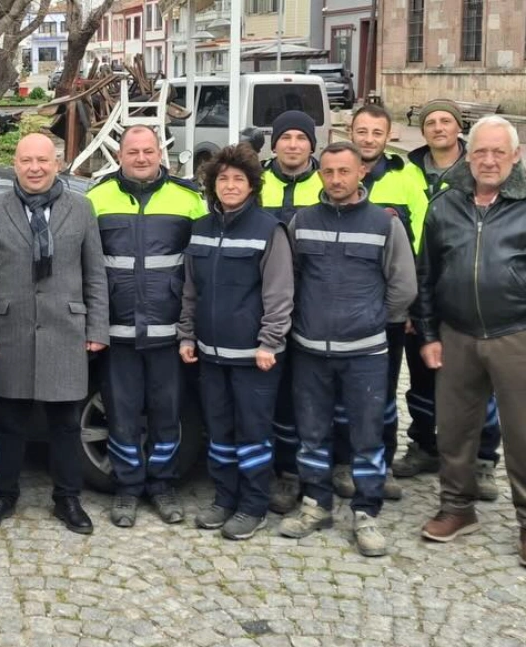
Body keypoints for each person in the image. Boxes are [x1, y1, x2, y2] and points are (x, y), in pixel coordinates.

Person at [415, 116, 526, 570]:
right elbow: (427, 275)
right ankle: (457, 507)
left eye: (498, 153)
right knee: (454, 430)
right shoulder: (444, 206)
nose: (488, 161)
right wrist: (429, 334)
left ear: (516, 156)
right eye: (480, 152)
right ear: (469, 156)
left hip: (519, 335)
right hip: (458, 335)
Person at [278, 142, 417, 556]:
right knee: (312, 433)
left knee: (366, 436)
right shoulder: (301, 222)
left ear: (361, 174)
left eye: (345, 172)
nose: (336, 180)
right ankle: (315, 504)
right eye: (329, 172)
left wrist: (373, 319)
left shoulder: (384, 224)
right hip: (309, 349)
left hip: (365, 352)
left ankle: (366, 512)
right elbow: (292, 280)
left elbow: (403, 286)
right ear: (321, 174)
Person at [0, 133, 110, 534]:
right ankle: (4, 495)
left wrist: (97, 327)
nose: (35, 168)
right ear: (15, 163)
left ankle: (68, 499)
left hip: (66, 331)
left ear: (57, 163)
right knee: (10, 424)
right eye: (27, 160)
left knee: (65, 424)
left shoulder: (81, 209)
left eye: (43, 160)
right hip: (10, 331)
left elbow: (95, 273)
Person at [86, 125, 206, 528]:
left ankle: (163, 485)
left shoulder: (188, 201)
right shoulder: (96, 199)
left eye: (148, 151)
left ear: (160, 155)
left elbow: (200, 266)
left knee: (167, 414)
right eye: (133, 151)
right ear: (120, 156)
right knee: (120, 415)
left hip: (169, 332)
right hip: (116, 332)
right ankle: (126, 489)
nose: (141, 158)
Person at [177, 143, 293, 540]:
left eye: (238, 179)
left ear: (251, 185)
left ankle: (253, 505)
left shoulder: (268, 230)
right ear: (212, 186)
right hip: (210, 355)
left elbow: (279, 293)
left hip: (253, 358)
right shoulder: (201, 231)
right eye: (222, 179)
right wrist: (187, 335)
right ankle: (224, 499)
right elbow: (191, 291)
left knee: (253, 433)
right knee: (220, 431)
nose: (229, 185)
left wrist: (269, 343)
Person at [397, 100, 504, 491]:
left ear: (459, 127)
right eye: (430, 122)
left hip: (466, 289)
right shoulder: (407, 169)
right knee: (422, 376)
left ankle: (482, 458)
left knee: (478, 379)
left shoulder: (477, 168)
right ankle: (424, 444)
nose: (438, 127)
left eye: (446, 121)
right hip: (420, 287)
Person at [343, 104, 431, 503]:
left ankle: (382, 463)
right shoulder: (334, 170)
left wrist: (411, 307)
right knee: (341, 393)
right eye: (361, 131)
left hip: (389, 307)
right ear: (350, 131)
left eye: (376, 133)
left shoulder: (407, 177)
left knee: (382, 391)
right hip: (341, 305)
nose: (368, 139)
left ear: (388, 135)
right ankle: (344, 462)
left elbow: (423, 244)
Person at [259, 111, 322, 515]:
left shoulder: (328, 182)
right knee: (278, 396)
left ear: (312, 145)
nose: (293, 144)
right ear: (274, 143)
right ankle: (284, 472)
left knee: (315, 395)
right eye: (286, 137)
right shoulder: (256, 182)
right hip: (265, 307)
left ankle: (323, 469)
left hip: (316, 307)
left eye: (301, 137)